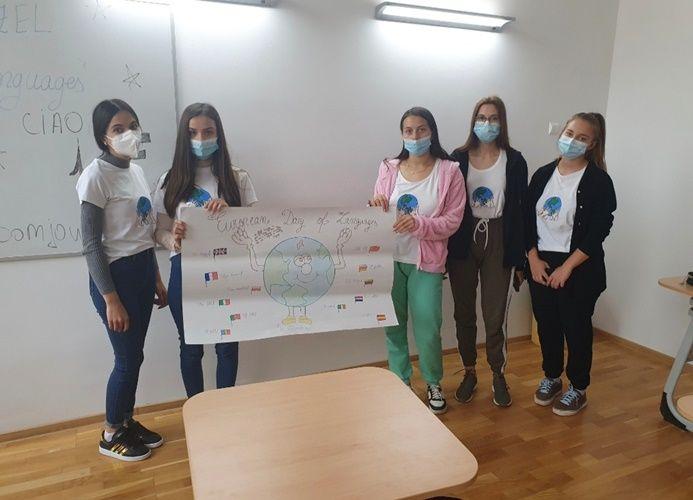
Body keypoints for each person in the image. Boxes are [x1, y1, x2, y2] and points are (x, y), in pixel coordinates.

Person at [77, 99, 167, 461]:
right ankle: (111, 432)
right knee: (126, 360)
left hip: (143, 269)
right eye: (118, 129)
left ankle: (127, 420)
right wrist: (111, 298)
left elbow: (143, 232)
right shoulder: (95, 176)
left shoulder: (137, 171)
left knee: (136, 355)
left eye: (132, 126)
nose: (128, 133)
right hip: (117, 278)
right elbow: (90, 244)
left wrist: (156, 278)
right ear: (103, 137)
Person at [153, 103, 258, 398]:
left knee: (227, 345)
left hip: (228, 270)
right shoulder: (169, 180)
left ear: (218, 134)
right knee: (190, 347)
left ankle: (224, 408)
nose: (200, 139)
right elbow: (158, 232)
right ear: (183, 137)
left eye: (208, 132)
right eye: (193, 133)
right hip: (185, 271)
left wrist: (231, 213)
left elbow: (257, 228)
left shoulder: (238, 178)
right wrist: (173, 238)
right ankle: (197, 410)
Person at [370, 107, 466, 414]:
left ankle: (433, 382)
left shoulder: (449, 171)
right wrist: (376, 204)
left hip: (426, 263)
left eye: (421, 129)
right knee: (393, 325)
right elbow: (377, 209)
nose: (415, 136)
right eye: (408, 131)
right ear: (402, 135)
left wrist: (419, 224)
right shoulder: (389, 168)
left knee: (428, 327)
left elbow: (453, 221)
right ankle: (401, 381)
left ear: (432, 132)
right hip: (389, 260)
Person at [526, 112, 616, 416]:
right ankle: (552, 377)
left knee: (576, 330)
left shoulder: (598, 181)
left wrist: (568, 267)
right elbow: (526, 220)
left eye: (582, 137)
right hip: (541, 263)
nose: (572, 141)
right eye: (569, 133)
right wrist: (532, 258)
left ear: (592, 144)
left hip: (579, 267)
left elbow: (599, 229)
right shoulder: (542, 175)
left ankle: (578, 387)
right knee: (547, 326)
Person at [447, 96, 528, 407]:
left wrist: (520, 258)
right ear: (473, 121)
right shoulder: (457, 158)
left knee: (495, 315)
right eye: (482, 118)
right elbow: (446, 203)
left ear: (502, 122)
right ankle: (469, 371)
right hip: (463, 238)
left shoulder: (515, 160)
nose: (487, 123)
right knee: (464, 312)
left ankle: (498, 373)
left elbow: (521, 211)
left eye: (494, 118)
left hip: (499, 237)